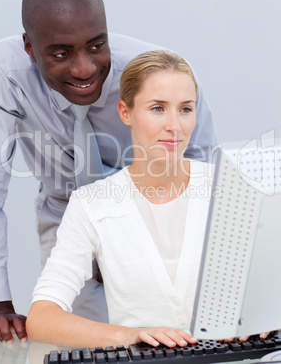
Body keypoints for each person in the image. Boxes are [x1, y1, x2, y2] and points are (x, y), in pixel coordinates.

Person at [0, 0, 218, 344]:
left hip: (156, 208)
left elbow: (202, 161)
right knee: (87, 339)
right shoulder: (6, 73)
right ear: (31, 49)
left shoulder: (155, 73)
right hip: (68, 208)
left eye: (96, 46)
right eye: (61, 54)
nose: (84, 69)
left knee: (188, 326)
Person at [26, 49, 211, 348]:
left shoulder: (227, 188)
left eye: (186, 109)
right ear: (126, 112)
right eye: (157, 108)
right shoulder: (92, 204)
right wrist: (128, 336)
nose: (175, 126)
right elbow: (41, 318)